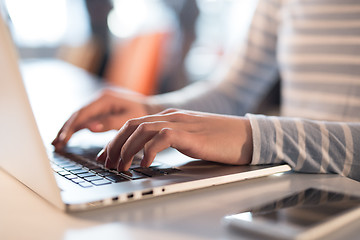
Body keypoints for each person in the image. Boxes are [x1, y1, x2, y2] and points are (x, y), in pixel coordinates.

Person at [52, 0, 360, 181]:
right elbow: (233, 92)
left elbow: (251, 128)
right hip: (301, 194)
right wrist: (151, 110)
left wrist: (255, 137)